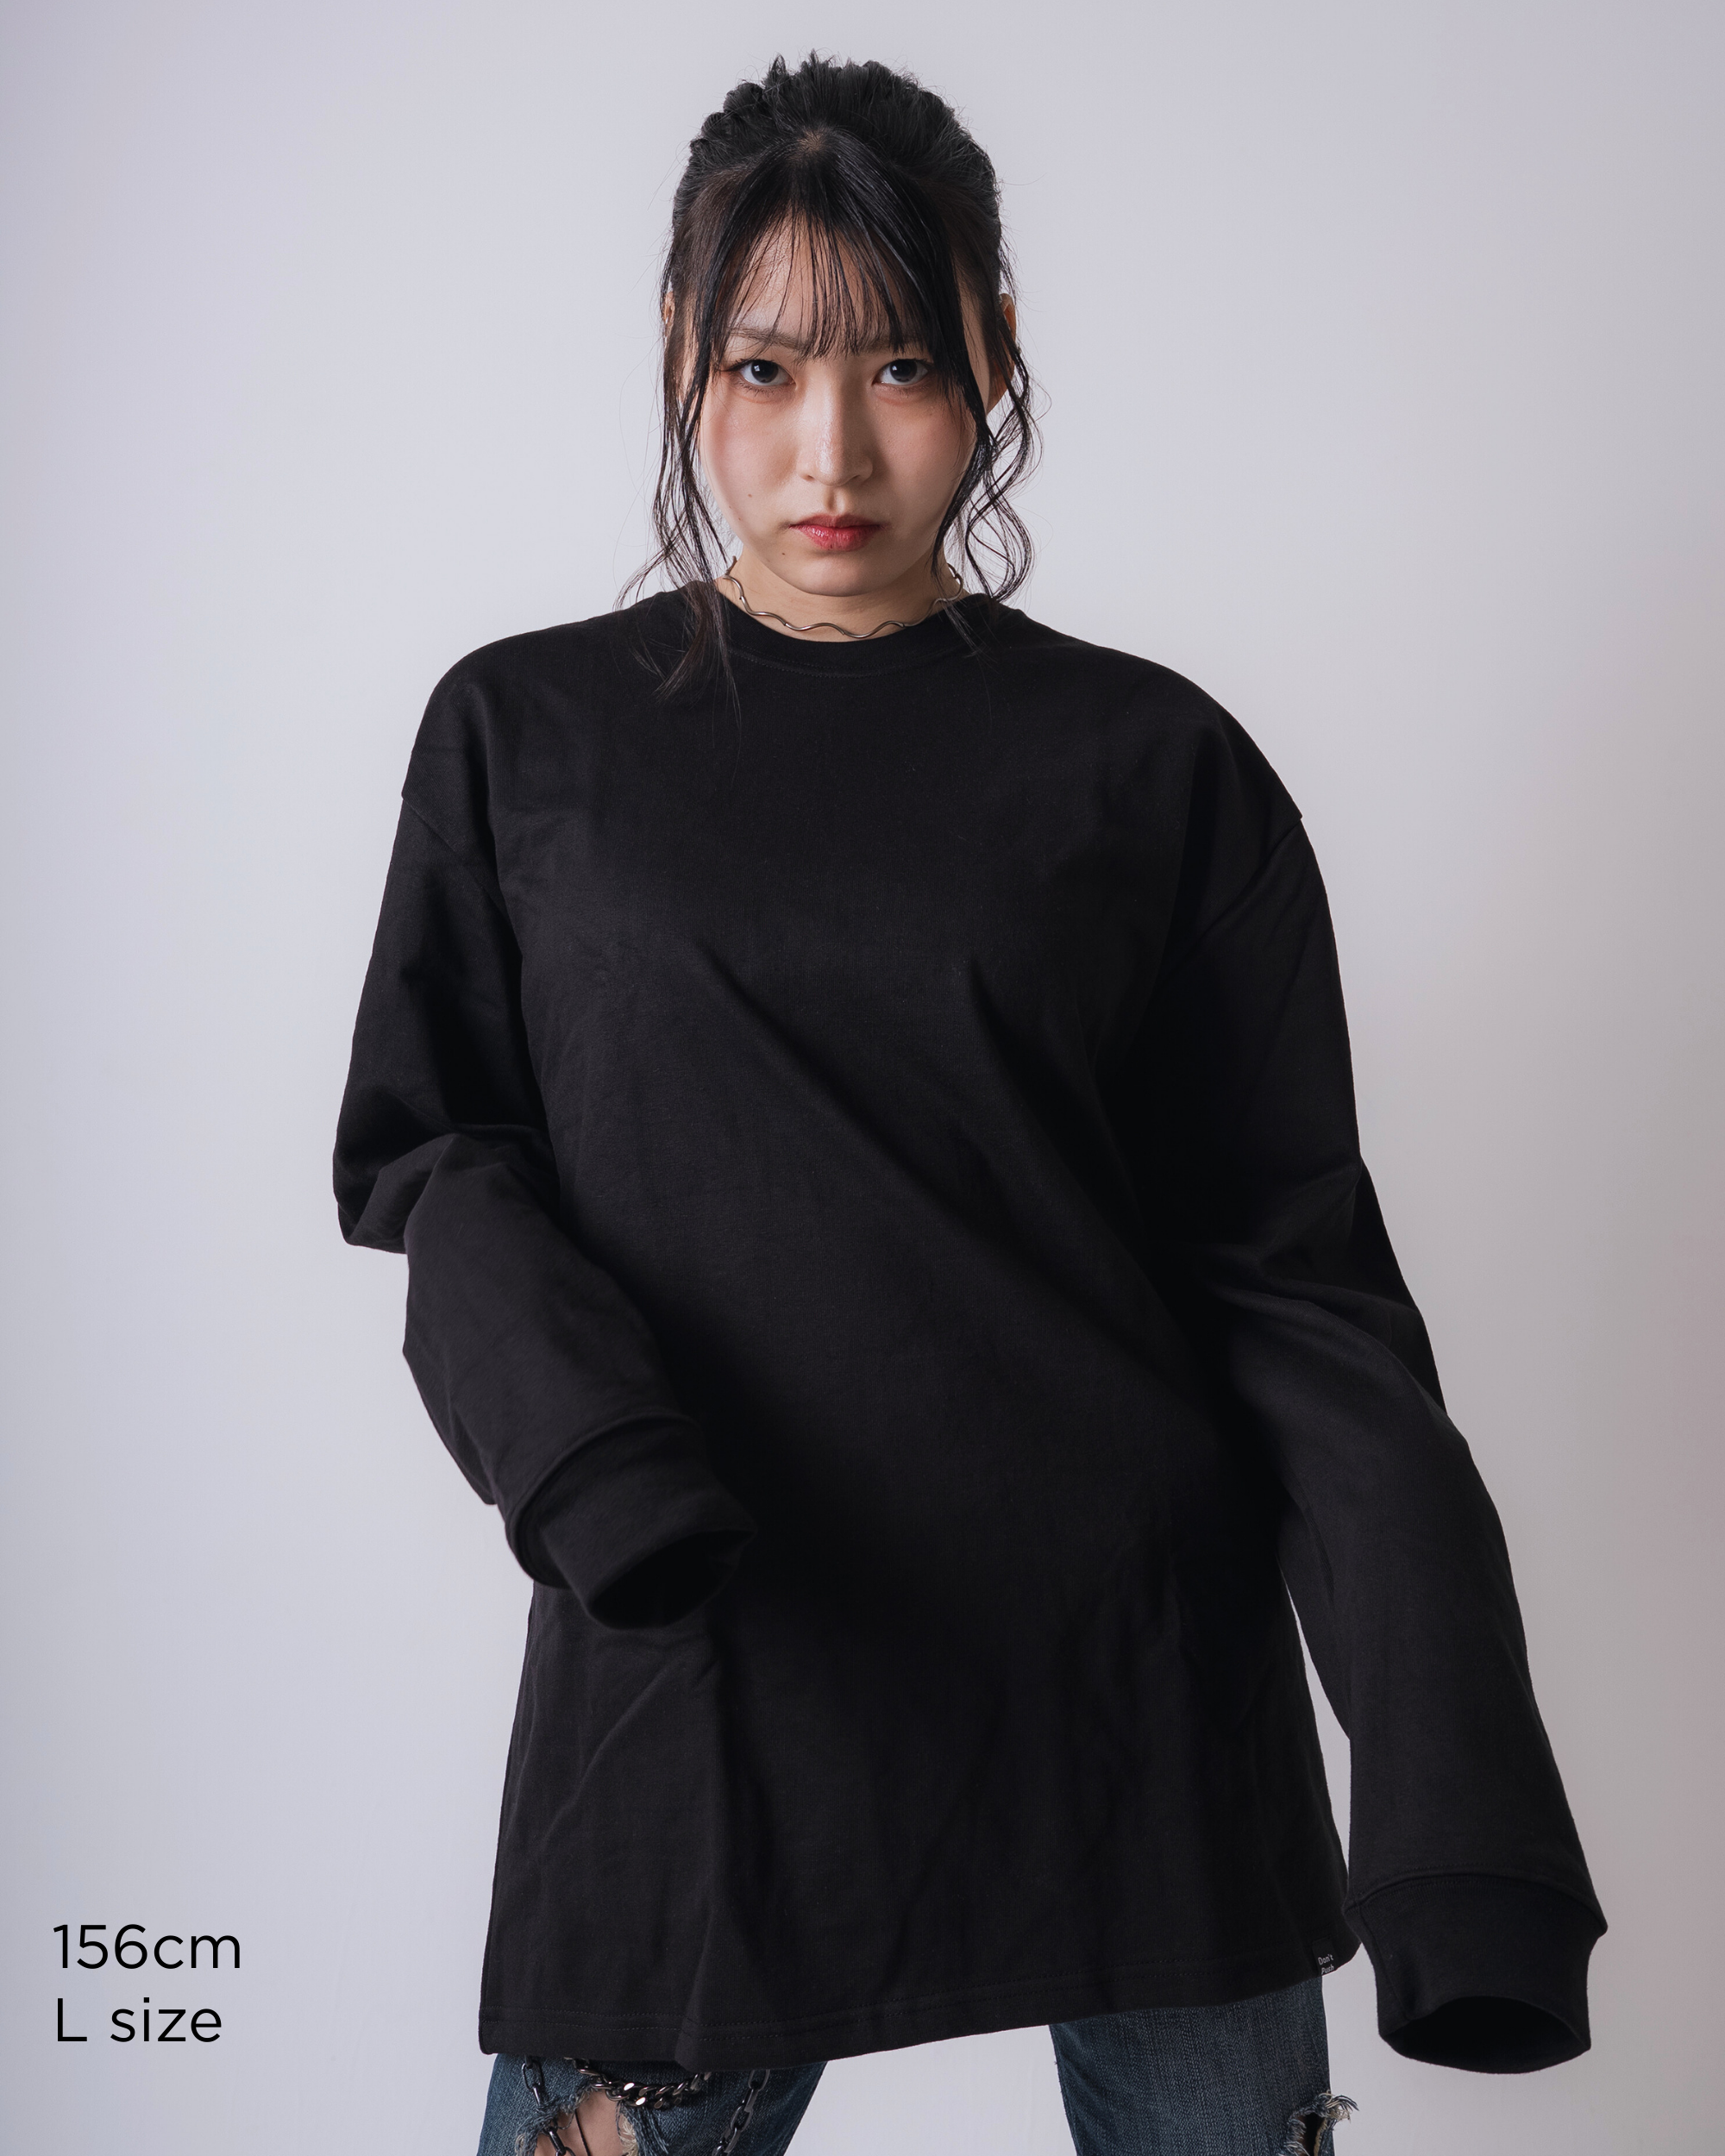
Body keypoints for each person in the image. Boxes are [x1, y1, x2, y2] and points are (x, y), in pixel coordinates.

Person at [333, 53, 1603, 2156]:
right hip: (706, 1660)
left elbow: (1295, 1285)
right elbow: (437, 1157)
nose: (828, 449)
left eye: (902, 364)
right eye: (763, 368)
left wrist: (1466, 1840)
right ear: (680, 352)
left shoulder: (1154, 766)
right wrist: (595, 1468)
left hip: (1136, 1705)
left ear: (995, 351)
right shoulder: (524, 736)